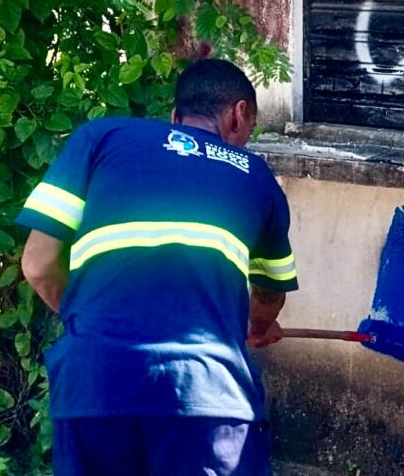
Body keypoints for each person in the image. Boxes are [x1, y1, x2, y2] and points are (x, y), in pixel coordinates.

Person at [16, 58, 297, 476]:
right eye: (250, 129)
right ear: (238, 115)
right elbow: (269, 294)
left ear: (175, 116)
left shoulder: (100, 137)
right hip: (205, 391)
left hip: (93, 381)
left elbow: (38, 265)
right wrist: (257, 326)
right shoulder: (255, 174)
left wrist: (91, 322)